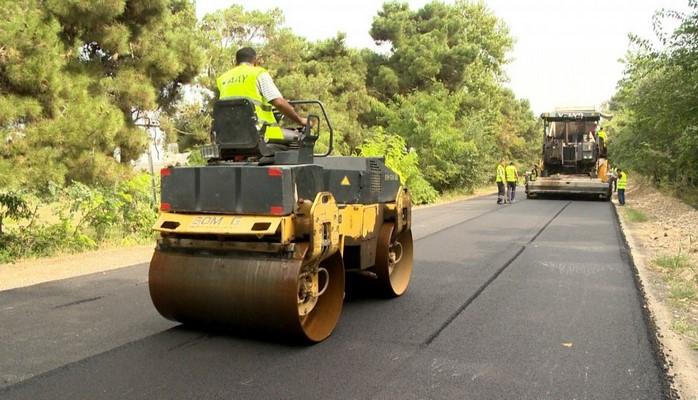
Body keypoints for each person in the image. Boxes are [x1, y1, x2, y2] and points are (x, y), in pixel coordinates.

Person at [216, 47, 307, 150]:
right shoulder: (258, 73)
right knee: (299, 137)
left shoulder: (222, 78)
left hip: (228, 137)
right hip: (261, 133)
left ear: (236, 62)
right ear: (255, 60)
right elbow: (279, 103)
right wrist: (301, 120)